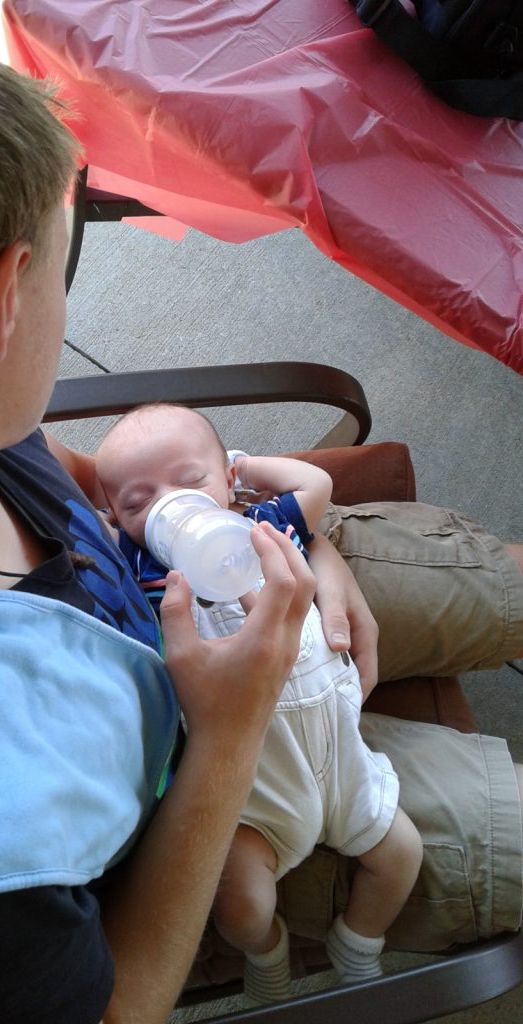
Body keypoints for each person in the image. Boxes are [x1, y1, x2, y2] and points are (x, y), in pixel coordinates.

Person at [0, 9, 520, 1024]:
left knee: (490, 578)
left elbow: (57, 471)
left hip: (187, 610)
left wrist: (316, 546)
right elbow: (115, 1011)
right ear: (5, 297)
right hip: (215, 807)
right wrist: (232, 732)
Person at [95, 402, 424, 1003]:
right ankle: (267, 956)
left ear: (226, 479)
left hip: (343, 759)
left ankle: (358, 944)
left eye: (191, 481)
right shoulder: (143, 570)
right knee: (240, 904)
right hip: (258, 792)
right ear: (115, 516)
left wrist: (246, 468)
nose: (171, 505)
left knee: (402, 854)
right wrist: (119, 530)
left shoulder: (266, 528)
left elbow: (316, 484)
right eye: (139, 502)